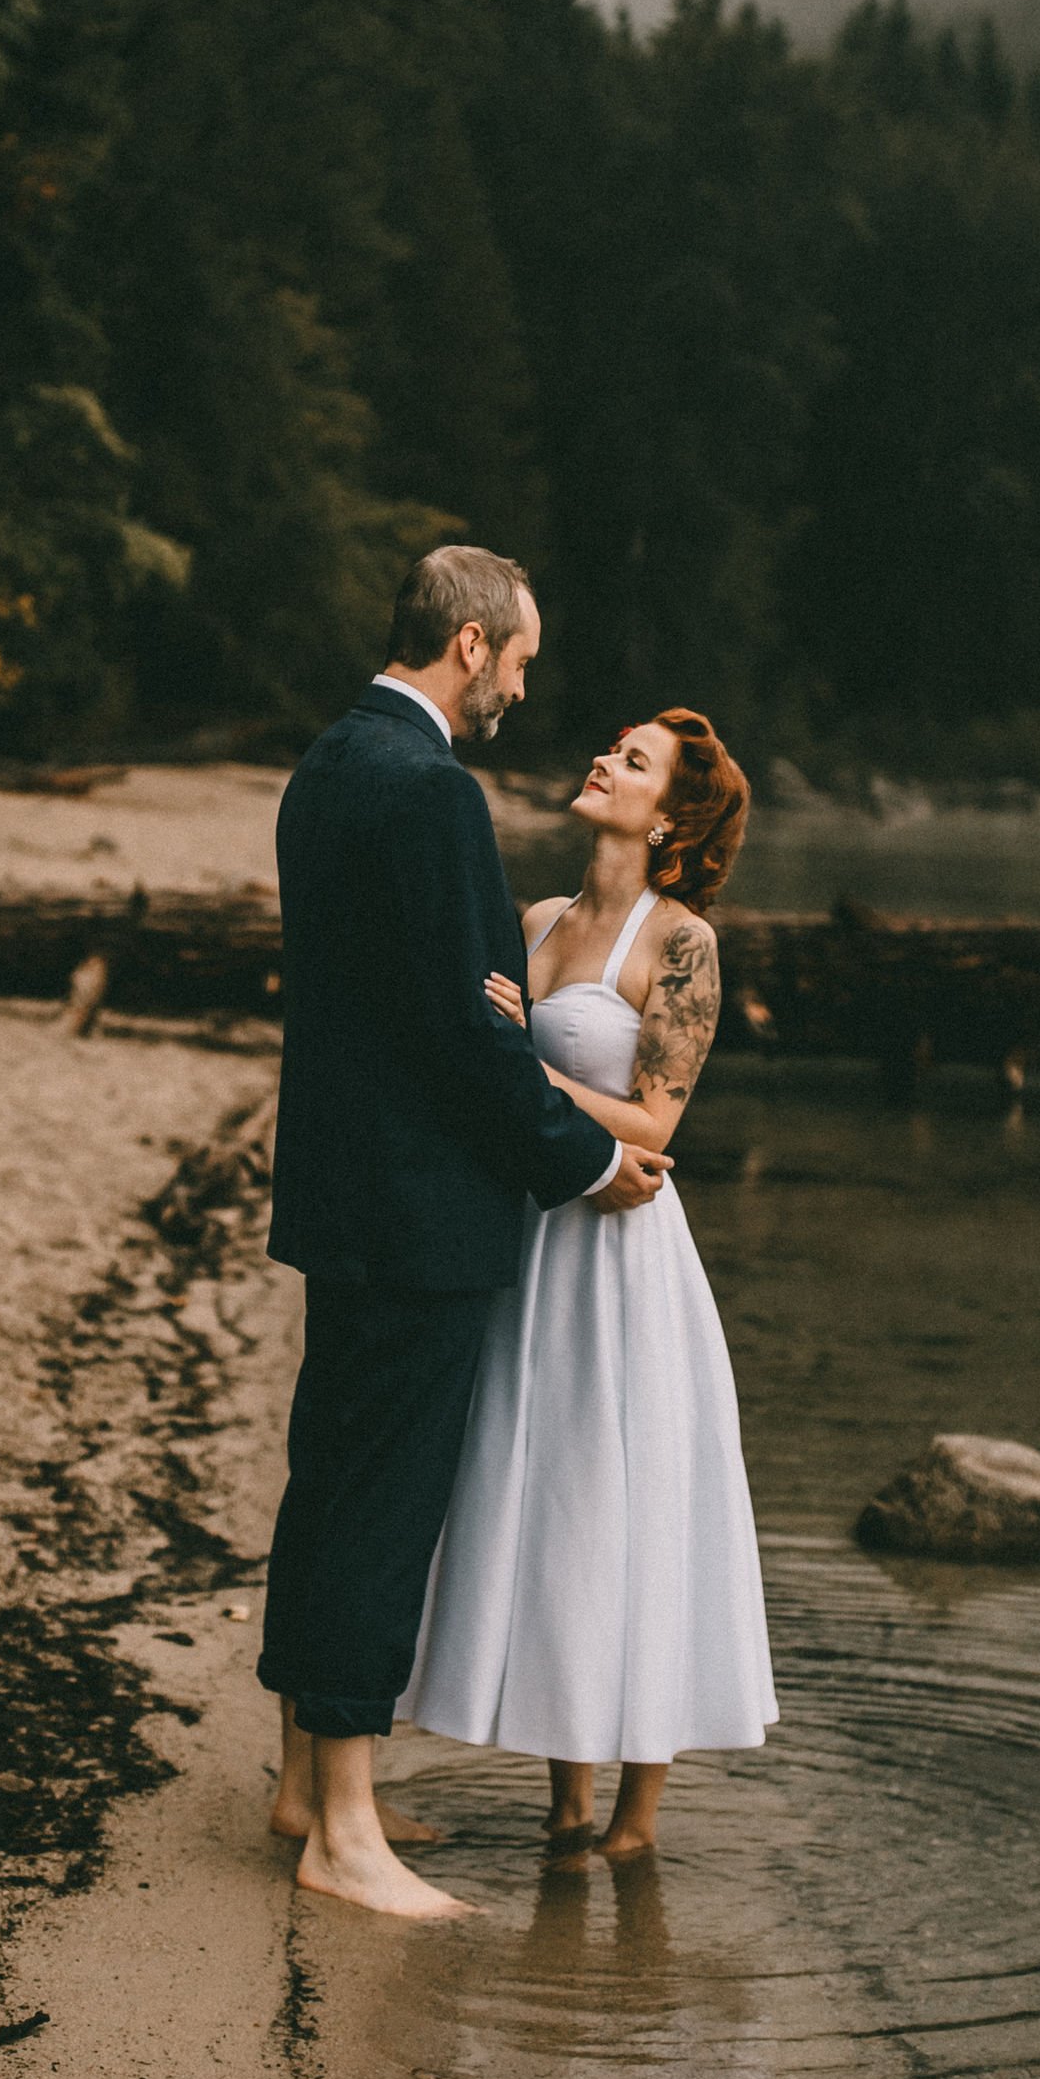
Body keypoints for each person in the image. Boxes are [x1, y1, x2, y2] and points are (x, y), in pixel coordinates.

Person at [261, 548, 673, 1918]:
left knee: (329, 1475)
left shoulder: (330, 761)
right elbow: (461, 1032)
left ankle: (297, 1785)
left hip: (338, 1185)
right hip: (417, 1204)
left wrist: (494, 1009)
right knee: (380, 1504)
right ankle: (347, 1833)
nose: (522, 685)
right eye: (522, 660)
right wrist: (580, 1160)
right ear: (475, 641)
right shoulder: (432, 789)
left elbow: (407, 999)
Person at [399, 708, 776, 1857]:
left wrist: (527, 1072)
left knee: (637, 1493)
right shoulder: (540, 919)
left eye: (634, 761)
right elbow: (502, 1083)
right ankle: (564, 1798)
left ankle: (636, 1816)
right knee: (560, 1493)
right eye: (612, 748)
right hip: (536, 1239)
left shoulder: (685, 945)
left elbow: (659, 1121)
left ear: (667, 819)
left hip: (625, 1253)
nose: (605, 761)